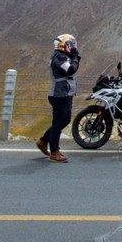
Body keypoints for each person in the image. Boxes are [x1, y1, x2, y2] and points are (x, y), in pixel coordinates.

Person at [36, 34, 81, 163]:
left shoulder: (63, 56)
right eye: (70, 45)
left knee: (64, 120)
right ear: (64, 45)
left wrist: (73, 57)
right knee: (58, 123)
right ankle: (54, 152)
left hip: (65, 94)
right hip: (59, 94)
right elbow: (71, 70)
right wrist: (75, 57)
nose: (72, 47)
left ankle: (43, 141)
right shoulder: (59, 57)